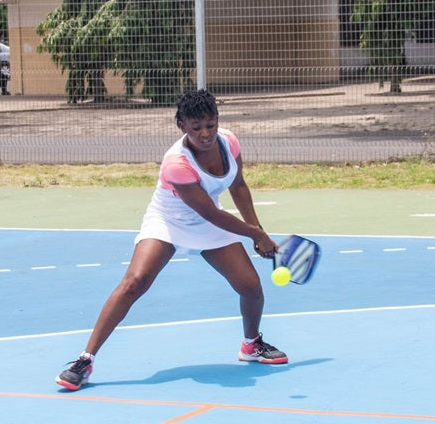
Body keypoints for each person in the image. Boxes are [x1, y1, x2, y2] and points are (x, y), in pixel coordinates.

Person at [56, 89, 287, 391]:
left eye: (211, 124)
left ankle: (251, 343)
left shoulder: (229, 142)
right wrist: (257, 235)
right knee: (134, 282)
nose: (205, 133)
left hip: (208, 221)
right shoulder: (176, 163)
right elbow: (210, 213)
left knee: (251, 286)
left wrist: (258, 229)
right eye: (196, 127)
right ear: (182, 126)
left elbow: (239, 185)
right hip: (168, 220)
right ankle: (85, 359)